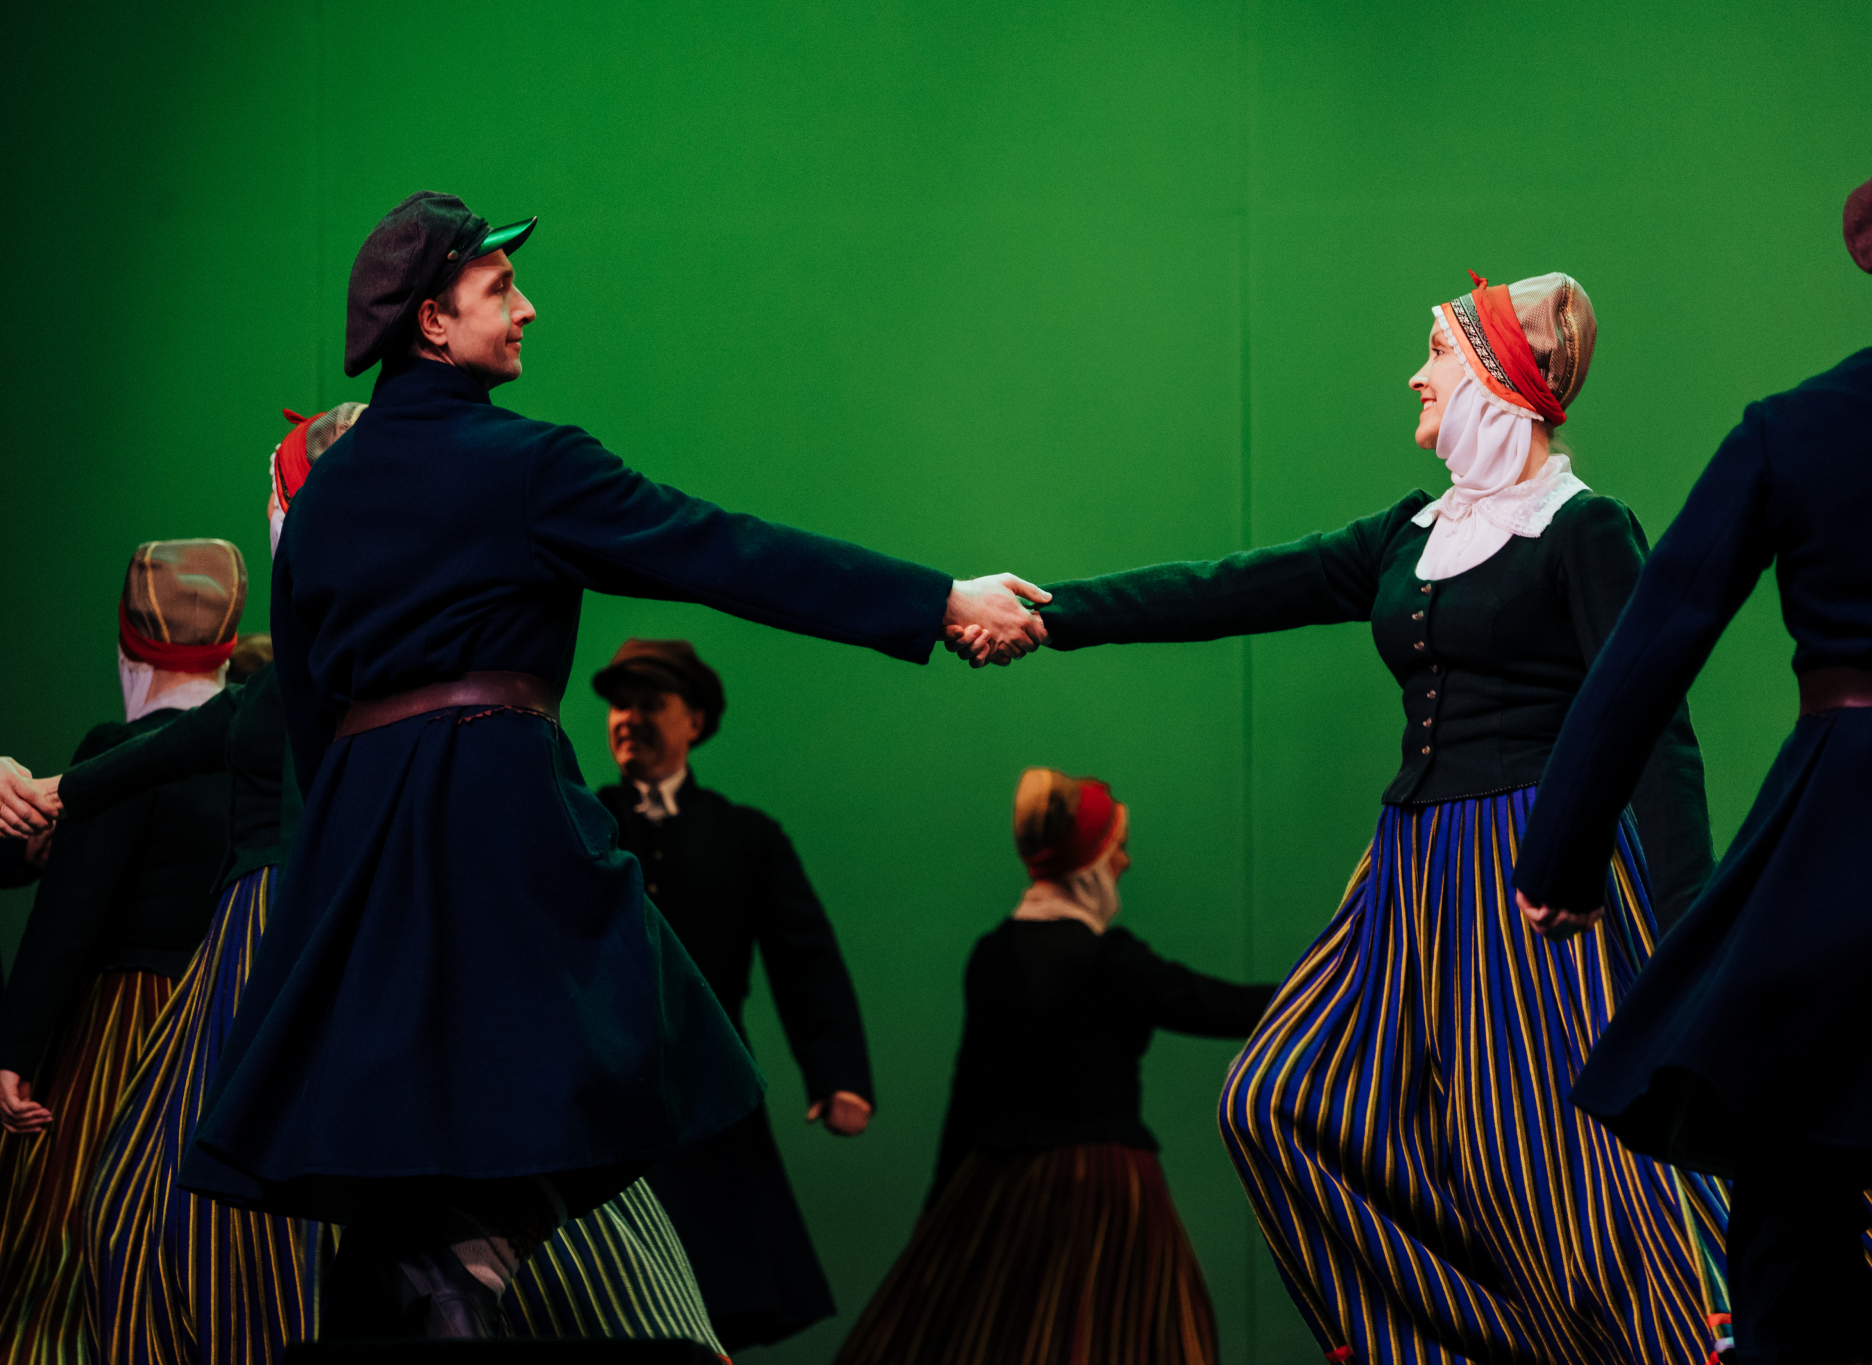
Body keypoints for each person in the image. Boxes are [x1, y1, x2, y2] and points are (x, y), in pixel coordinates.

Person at [177, 191, 1052, 1341]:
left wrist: (350, 837)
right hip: (493, 819)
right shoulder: (527, 465)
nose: (526, 308)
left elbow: (306, 702)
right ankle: (452, 1278)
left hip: (356, 841)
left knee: (415, 1154)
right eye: (500, 289)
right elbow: (722, 550)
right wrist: (937, 599)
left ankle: (426, 1288)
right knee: (629, 1053)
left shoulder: (325, 496)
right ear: (432, 322)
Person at [1016, 272, 1729, 1364]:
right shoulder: (1412, 530)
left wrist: (1689, 941)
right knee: (1272, 1101)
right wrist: (1050, 615)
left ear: (1498, 376)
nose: (1415, 375)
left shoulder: (1582, 529)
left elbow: (1654, 730)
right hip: (1409, 872)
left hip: (1534, 874)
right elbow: (1231, 588)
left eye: (1436, 353)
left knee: (1564, 1171)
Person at [44, 408, 750, 1361]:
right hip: (340, 928)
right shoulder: (342, 645)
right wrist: (58, 789)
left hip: (348, 924)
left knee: (418, 1167)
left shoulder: (382, 637)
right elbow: (199, 736)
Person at [1513, 114, 1872, 1365]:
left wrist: (1561, 858)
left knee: (1790, 1138)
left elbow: (1650, 648)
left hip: (1848, 814)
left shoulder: (1791, 431)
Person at [836, 768, 1273, 1365]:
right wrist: (1340, 983)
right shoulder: (1106, 960)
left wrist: (939, 1203)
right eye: (1117, 847)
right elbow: (1219, 1006)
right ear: (1090, 860)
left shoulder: (993, 953)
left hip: (996, 1184)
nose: (1125, 862)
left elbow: (970, 1092)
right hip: (1103, 1187)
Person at [0, 539, 245, 1365]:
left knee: (74, 1236)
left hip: (122, 1032)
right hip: (223, 1021)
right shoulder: (254, 750)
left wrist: (14, 1051)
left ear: (127, 648)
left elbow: (68, 917)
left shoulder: (119, 752)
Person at [594, 637, 876, 1349]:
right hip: (599, 1093)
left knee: (715, 1288)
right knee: (600, 1293)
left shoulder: (744, 836)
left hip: (710, 1095)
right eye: (620, 704)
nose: (630, 718)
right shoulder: (582, 825)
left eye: (651, 702)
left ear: (695, 719)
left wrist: (837, 1074)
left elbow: (805, 959)